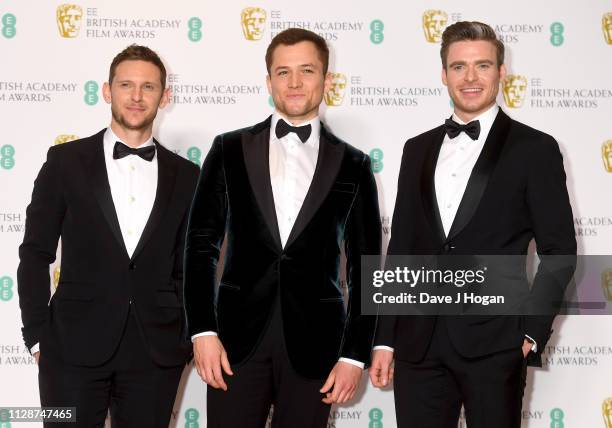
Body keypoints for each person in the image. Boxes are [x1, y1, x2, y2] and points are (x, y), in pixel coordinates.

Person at [369, 21, 576, 428]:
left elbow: (560, 251)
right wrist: (385, 337)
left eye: (482, 66)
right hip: (418, 345)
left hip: (496, 344)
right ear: (443, 74)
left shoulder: (535, 148)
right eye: (459, 66)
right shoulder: (417, 149)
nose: (470, 77)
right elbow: (402, 251)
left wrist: (530, 334)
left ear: (501, 72)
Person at [184, 28, 381, 427]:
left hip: (317, 344)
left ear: (327, 80)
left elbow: (367, 266)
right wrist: (202, 330)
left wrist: (353, 354)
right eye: (283, 72)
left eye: (306, 70)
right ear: (268, 80)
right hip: (235, 342)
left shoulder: (354, 164)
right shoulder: (228, 148)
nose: (294, 82)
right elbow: (200, 245)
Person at [17, 44, 199, 427]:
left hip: (155, 354)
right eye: (126, 85)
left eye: (148, 87)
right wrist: (37, 337)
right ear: (107, 90)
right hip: (67, 351)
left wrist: (183, 338)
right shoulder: (64, 162)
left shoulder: (188, 177)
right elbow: (35, 253)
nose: (136, 96)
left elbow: (191, 267)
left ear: (165, 97)